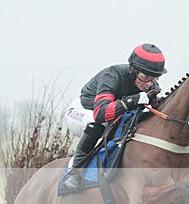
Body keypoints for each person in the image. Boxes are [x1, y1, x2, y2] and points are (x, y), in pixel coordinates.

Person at [62, 43, 167, 192]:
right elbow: (100, 114)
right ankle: (75, 172)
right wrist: (131, 101)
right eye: (145, 77)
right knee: (97, 125)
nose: (149, 83)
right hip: (82, 112)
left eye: (154, 78)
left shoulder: (150, 85)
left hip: (109, 116)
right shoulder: (112, 75)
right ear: (133, 70)